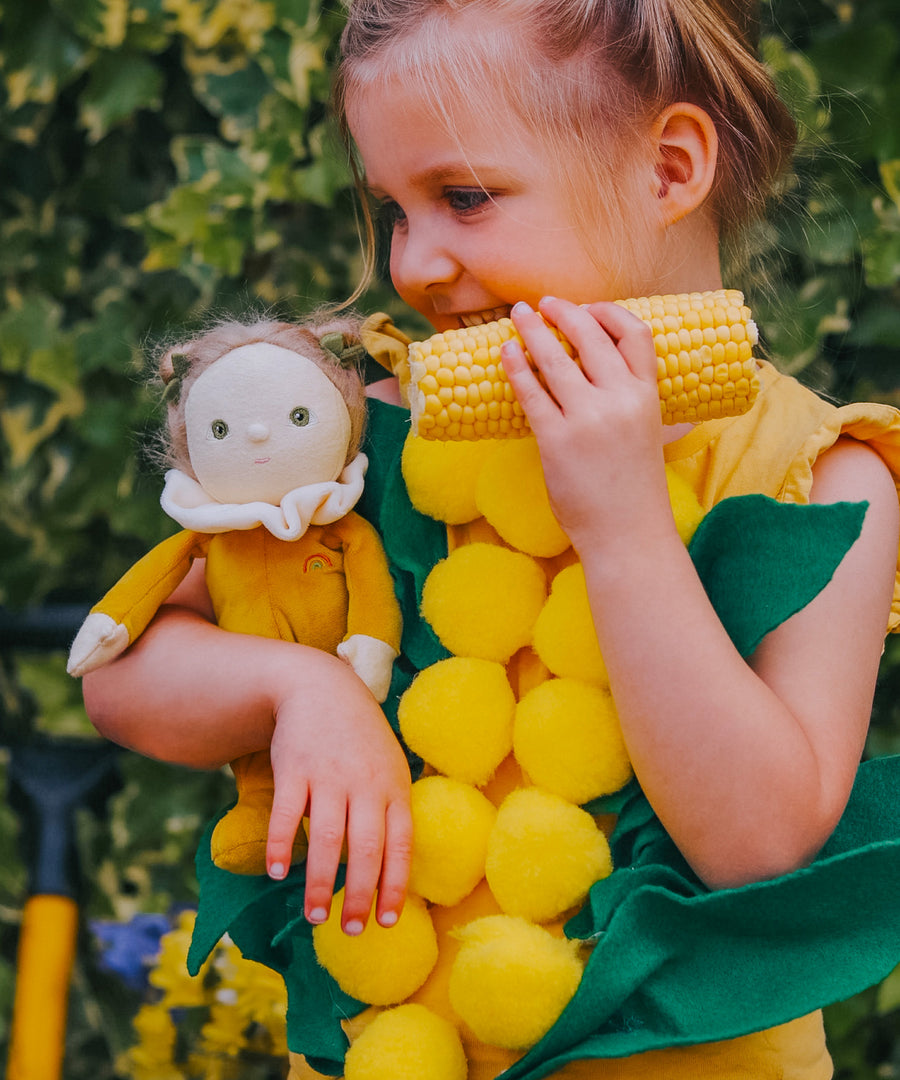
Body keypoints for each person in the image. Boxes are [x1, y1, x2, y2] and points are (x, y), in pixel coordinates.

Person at [83, 1, 900, 1077]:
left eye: (465, 198)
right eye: (395, 210)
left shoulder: (823, 476)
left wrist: (620, 524)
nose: (417, 263)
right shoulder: (375, 430)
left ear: (669, 170)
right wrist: (300, 691)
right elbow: (123, 670)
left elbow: (758, 844)